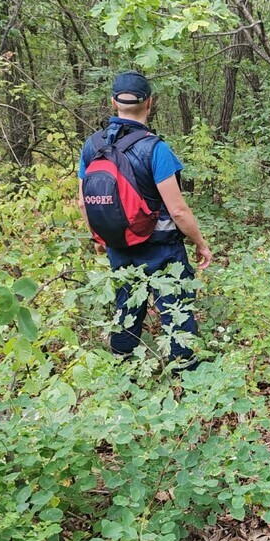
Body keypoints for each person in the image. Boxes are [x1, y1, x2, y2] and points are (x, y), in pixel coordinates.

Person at [77, 71, 212, 373]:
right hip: (162, 250)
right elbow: (178, 211)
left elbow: (83, 200)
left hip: (119, 248)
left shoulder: (92, 146)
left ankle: (123, 372)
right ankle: (187, 375)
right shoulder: (155, 149)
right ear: (150, 103)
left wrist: (98, 238)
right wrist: (200, 244)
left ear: (114, 102)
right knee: (175, 309)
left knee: (126, 307)